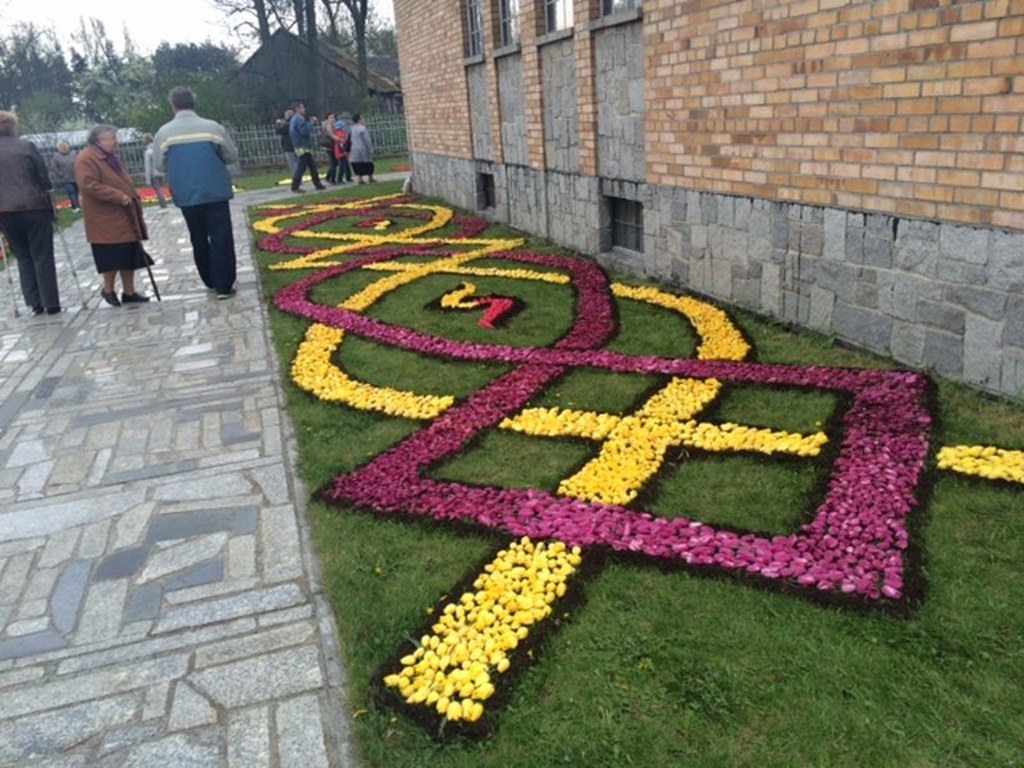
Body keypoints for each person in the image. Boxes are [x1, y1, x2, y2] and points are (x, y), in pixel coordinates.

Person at [153, 85, 239, 299]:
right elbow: (231, 156)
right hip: (215, 191)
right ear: (194, 103)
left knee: (198, 237)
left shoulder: (164, 132)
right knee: (221, 237)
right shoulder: (212, 128)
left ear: (173, 106)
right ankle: (223, 285)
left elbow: (159, 165)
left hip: (186, 194)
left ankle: (209, 279)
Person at [74, 124, 151, 306]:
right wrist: (118, 196)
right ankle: (108, 290)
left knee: (129, 254)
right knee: (112, 257)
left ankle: (129, 292)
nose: (116, 142)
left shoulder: (111, 157)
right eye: (113, 138)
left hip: (124, 214)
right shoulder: (86, 158)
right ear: (99, 140)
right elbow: (89, 184)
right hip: (105, 218)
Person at [0, 110, 62, 315]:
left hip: (5, 210)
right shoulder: (26, 146)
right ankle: (51, 302)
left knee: (22, 255)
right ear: (12, 128)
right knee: (42, 255)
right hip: (34, 206)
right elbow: (42, 177)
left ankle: (34, 302)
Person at [288, 101, 326, 193]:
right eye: (302, 107)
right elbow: (304, 131)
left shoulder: (293, 119)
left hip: (300, 145)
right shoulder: (299, 119)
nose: (304, 109)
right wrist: (311, 123)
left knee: (312, 166)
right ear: (297, 109)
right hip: (302, 146)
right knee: (302, 167)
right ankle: (295, 186)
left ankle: (317, 184)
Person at [49, 141, 80, 213]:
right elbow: (54, 167)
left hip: (76, 177)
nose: (64, 148)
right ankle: (76, 207)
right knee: (72, 192)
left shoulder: (74, 154)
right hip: (65, 179)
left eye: (65, 147)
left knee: (76, 192)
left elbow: (79, 162)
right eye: (62, 147)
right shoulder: (56, 157)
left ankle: (74, 206)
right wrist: (60, 174)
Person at [142, 133, 168, 209]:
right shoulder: (158, 150)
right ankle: (163, 204)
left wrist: (147, 179)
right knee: (161, 189)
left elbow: (147, 166)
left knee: (158, 190)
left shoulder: (148, 152)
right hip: (161, 172)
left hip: (153, 174)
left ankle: (163, 205)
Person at [348, 113, 375, 184]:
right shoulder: (362, 128)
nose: (363, 119)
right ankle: (370, 177)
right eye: (362, 118)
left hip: (354, 148)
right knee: (368, 163)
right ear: (359, 120)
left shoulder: (352, 128)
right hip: (363, 148)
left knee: (358, 164)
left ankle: (360, 178)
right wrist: (370, 149)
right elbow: (367, 140)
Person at [275, 109, 298, 174]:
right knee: (297, 162)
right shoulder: (295, 123)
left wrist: (278, 123)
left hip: (288, 146)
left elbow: (278, 131)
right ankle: (299, 175)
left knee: (292, 163)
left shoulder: (287, 124)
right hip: (296, 144)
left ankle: (296, 176)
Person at [320, 111, 341, 184]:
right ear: (327, 119)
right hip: (329, 146)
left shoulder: (332, 125)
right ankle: (332, 179)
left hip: (332, 145)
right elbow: (331, 134)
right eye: (331, 118)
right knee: (334, 163)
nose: (333, 119)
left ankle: (329, 177)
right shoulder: (328, 125)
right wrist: (338, 139)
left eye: (333, 117)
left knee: (334, 162)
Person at [332, 117, 352, 184]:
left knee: (345, 164)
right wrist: (345, 151)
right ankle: (340, 179)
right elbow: (342, 143)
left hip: (339, 151)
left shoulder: (335, 133)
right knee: (343, 166)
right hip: (341, 152)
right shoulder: (341, 133)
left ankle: (348, 177)